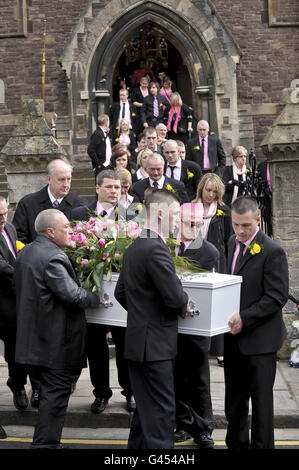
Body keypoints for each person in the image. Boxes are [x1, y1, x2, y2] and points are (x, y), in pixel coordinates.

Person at [14, 209, 101, 449]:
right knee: (55, 400)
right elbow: (72, 295)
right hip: (55, 345)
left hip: (34, 342)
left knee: (49, 398)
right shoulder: (53, 257)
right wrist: (97, 299)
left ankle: (45, 442)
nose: (71, 231)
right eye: (66, 227)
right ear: (50, 231)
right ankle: (45, 444)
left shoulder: (27, 252)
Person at [114, 188, 189, 449]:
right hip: (155, 347)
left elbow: (119, 292)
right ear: (160, 213)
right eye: (176, 214)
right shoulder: (156, 249)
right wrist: (184, 301)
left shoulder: (135, 245)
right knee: (160, 416)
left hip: (137, 343)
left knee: (144, 415)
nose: (179, 220)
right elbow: (176, 298)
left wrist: (142, 314)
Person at [224, 195, 289, 449]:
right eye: (236, 224)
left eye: (246, 226)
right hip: (233, 340)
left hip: (261, 341)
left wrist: (245, 317)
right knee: (235, 402)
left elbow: (276, 297)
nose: (240, 231)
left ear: (258, 220)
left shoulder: (273, 251)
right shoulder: (231, 242)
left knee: (261, 405)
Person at [71, 170, 136, 414]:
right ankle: (101, 393)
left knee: (123, 343)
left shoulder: (131, 215)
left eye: (117, 187)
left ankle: (129, 392)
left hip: (121, 291)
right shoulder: (80, 214)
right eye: (109, 187)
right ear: (97, 188)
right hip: (91, 289)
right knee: (95, 344)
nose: (114, 191)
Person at [174, 203, 219, 448]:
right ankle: (182, 424)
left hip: (198, 325)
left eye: (198, 222)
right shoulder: (167, 246)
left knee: (199, 381)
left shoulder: (209, 251)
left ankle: (203, 428)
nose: (195, 226)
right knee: (176, 377)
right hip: (172, 325)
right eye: (189, 222)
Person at [193, 173, 233, 365]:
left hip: (218, 261)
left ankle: (220, 350)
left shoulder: (224, 211)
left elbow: (229, 240)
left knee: (218, 305)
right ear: (201, 188)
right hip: (195, 261)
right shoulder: (190, 208)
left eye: (215, 192)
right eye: (208, 190)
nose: (210, 195)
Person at [12, 158, 87, 245]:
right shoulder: (27, 204)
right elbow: (18, 238)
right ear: (49, 179)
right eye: (61, 179)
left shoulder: (82, 205)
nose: (66, 184)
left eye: (69, 179)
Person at [0, 196, 28, 412]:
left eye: (4, 213)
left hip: (11, 302)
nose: (2, 218)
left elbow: (15, 255)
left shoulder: (9, 228)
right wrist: (26, 271)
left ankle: (17, 385)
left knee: (15, 349)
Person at [87, 114, 112, 179]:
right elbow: (90, 150)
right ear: (107, 123)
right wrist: (99, 163)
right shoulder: (97, 134)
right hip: (101, 166)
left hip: (107, 164)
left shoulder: (104, 133)